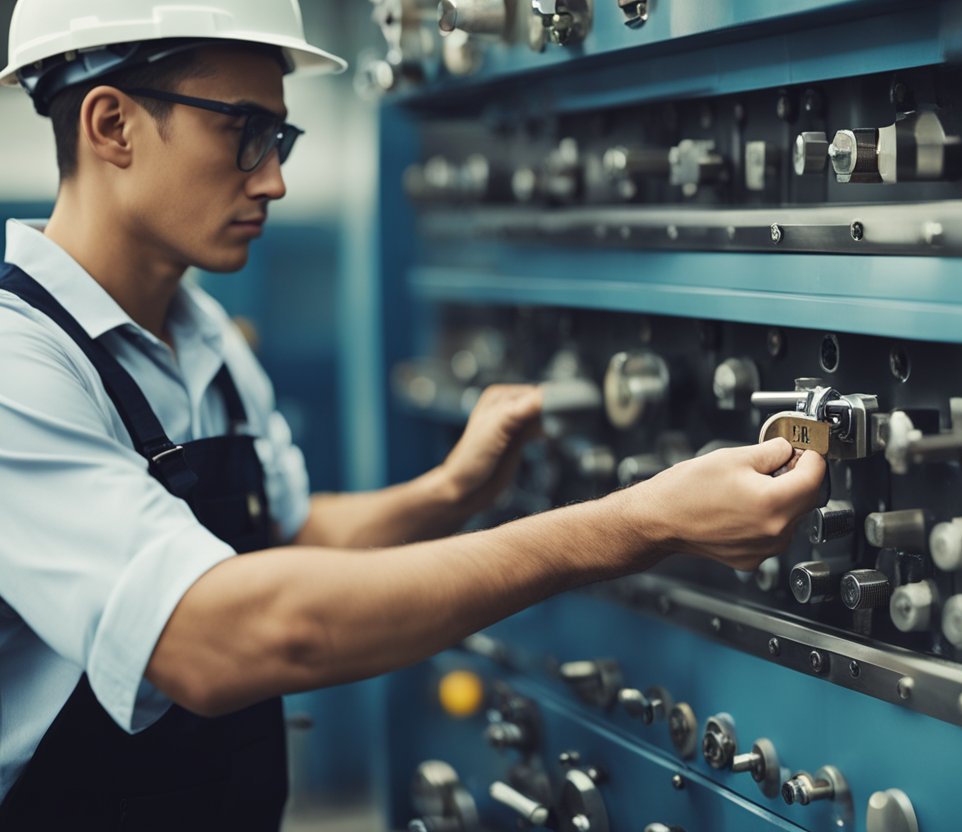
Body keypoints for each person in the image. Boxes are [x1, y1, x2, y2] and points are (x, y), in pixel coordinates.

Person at [0, 1, 826, 828]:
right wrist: (636, 524)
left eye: (280, 141)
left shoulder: (200, 330)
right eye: (245, 132)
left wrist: (447, 493)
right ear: (112, 125)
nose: (274, 179)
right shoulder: (19, 367)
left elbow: (283, 538)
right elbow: (216, 635)